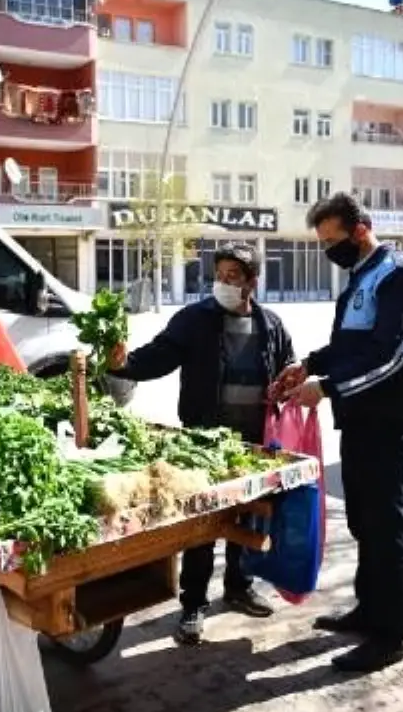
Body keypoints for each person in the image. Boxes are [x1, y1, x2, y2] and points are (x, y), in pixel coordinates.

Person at [272, 192, 403, 674]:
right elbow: (351, 345)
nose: (329, 251)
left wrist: (329, 388)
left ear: (361, 230)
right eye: (323, 243)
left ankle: (389, 637)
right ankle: (369, 611)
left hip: (387, 425)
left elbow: (396, 354)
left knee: (385, 527)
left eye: (333, 241)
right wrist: (309, 367)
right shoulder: (361, 277)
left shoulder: (401, 276)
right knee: (364, 523)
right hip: (360, 423)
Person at [108, 242, 296, 644]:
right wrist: (123, 363)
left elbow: (286, 368)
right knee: (203, 525)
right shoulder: (195, 320)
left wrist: (288, 386)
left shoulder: (272, 325)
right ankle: (193, 603)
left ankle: (239, 585)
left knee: (247, 518)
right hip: (204, 442)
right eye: (220, 275)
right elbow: (159, 355)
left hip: (252, 445)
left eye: (234, 276)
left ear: (252, 283)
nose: (224, 282)